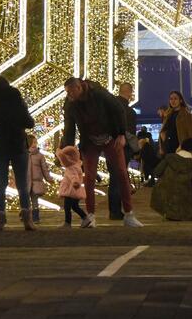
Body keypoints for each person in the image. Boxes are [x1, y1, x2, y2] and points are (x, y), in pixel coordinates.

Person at [61, 77, 144, 228]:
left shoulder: (99, 93)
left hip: (110, 137)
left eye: (70, 91)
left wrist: (121, 134)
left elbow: (118, 110)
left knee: (121, 173)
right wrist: (67, 149)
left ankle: (129, 214)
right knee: (89, 177)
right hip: (89, 140)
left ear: (79, 88)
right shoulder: (70, 104)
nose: (69, 95)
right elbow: (69, 127)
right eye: (67, 92)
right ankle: (90, 216)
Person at [0, 75, 35, 231]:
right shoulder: (16, 99)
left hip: (0, 146)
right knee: (22, 184)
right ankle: (27, 219)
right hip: (18, 144)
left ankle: (0, 219)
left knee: (1, 184)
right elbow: (29, 122)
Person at [108, 82, 139, 221]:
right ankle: (118, 211)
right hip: (123, 148)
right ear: (130, 93)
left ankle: (113, 210)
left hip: (109, 147)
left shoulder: (109, 108)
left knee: (113, 178)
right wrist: (136, 149)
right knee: (119, 178)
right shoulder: (129, 112)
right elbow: (130, 135)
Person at [150, 137, 192, 221]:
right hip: (186, 202)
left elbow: (157, 172)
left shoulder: (170, 158)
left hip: (165, 197)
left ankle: (170, 213)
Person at [57, 144, 88, 227]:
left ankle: (68, 222)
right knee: (74, 206)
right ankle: (85, 218)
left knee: (67, 207)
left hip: (71, 190)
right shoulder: (76, 165)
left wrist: (75, 182)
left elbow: (74, 176)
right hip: (74, 190)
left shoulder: (71, 167)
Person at [162, 90, 192, 158]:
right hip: (168, 147)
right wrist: (163, 138)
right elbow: (165, 129)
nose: (173, 101)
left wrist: (185, 148)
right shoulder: (168, 114)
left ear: (180, 100)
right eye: (171, 99)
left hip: (180, 148)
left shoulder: (187, 115)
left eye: (175, 98)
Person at [27, 134, 51, 223]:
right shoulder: (24, 155)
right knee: (25, 200)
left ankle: (35, 217)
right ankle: (25, 215)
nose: (35, 144)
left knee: (34, 200)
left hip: (35, 182)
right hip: (26, 181)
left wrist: (48, 178)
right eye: (33, 142)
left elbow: (44, 169)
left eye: (35, 142)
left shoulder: (39, 156)